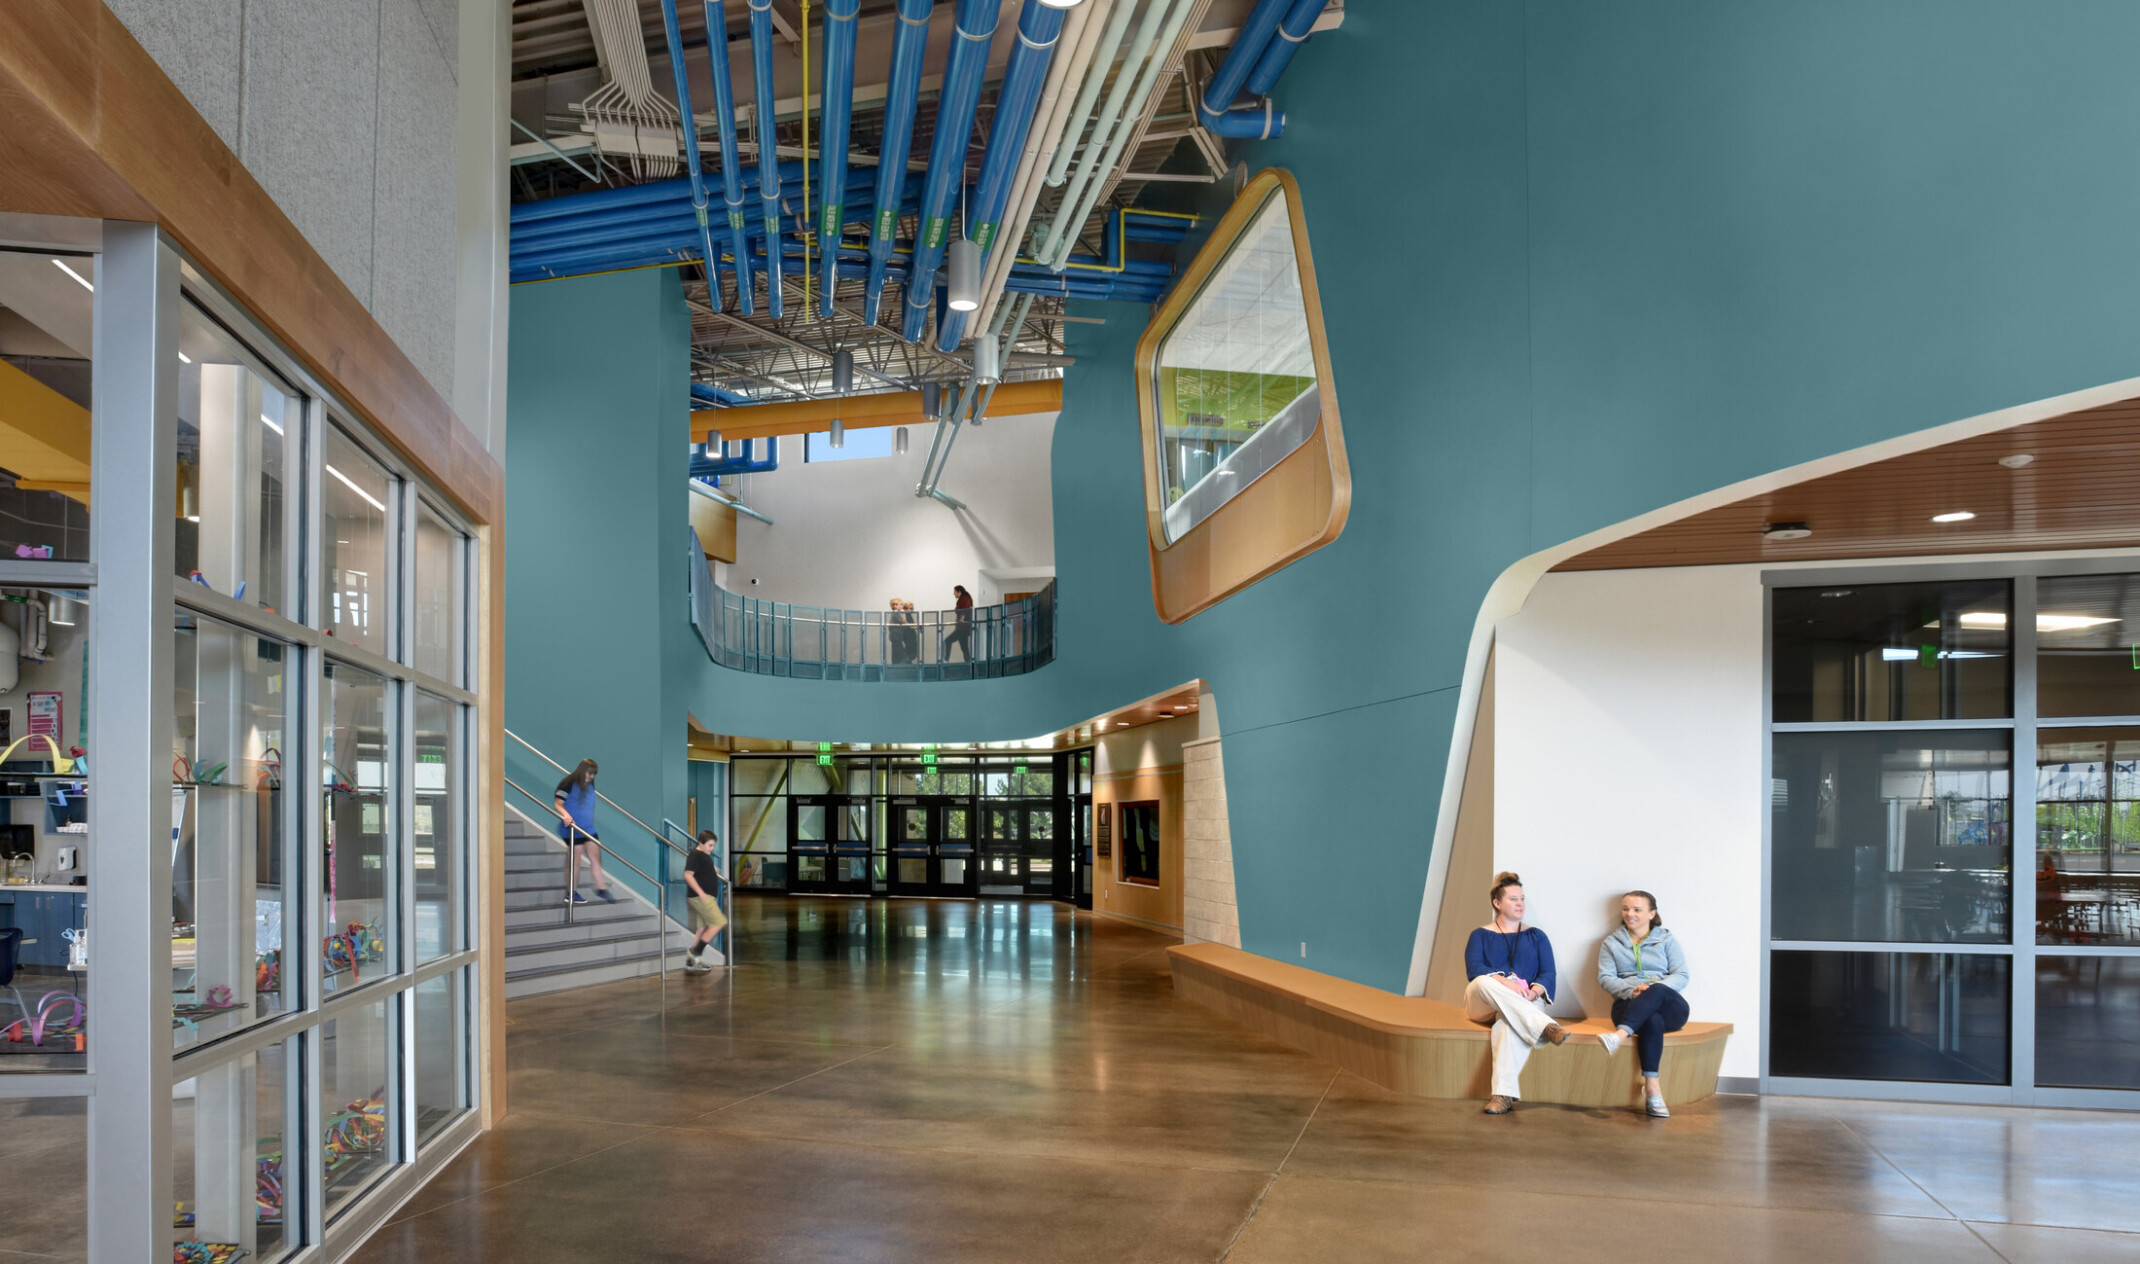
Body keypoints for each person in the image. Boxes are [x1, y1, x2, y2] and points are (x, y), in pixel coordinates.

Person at [1463, 871, 1565, 1114]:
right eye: (1513, 899)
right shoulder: (1479, 935)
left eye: (1522, 898)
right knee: (1481, 981)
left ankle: (1502, 1096)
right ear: (1497, 903)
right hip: (1484, 1003)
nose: (1520, 904)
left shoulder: (1537, 936)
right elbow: (1475, 969)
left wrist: (1534, 991)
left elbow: (1548, 973)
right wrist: (1508, 983)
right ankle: (1544, 1026)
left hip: (1524, 1003)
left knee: (1507, 1024)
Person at [1595, 890, 1689, 1119]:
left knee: (1656, 989)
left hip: (1670, 1007)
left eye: (1637, 909)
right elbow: (1605, 978)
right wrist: (1631, 990)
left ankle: (1618, 1036)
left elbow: (1681, 974)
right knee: (1651, 1020)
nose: (1630, 914)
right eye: (1626, 909)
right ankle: (1652, 1089)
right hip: (1628, 1004)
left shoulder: (1666, 939)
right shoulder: (1611, 943)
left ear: (1652, 914)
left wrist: (1653, 988)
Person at [553, 758, 615, 904]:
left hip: (588, 829)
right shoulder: (568, 783)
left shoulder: (590, 786)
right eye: (589, 773)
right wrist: (566, 814)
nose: (591, 777)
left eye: (593, 774)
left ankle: (601, 889)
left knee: (596, 858)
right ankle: (571, 893)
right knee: (576, 860)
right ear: (582, 771)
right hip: (573, 828)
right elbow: (558, 803)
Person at [683, 829, 727, 973]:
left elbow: (702, 869)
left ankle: (692, 962)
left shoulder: (703, 855)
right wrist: (701, 893)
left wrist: (712, 869)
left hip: (706, 897)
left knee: (701, 928)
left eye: (713, 845)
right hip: (701, 897)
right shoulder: (695, 855)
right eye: (710, 845)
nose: (712, 848)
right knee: (719, 922)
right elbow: (688, 875)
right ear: (700, 843)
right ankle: (695, 953)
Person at [943, 585, 974, 662]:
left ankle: (946, 660)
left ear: (959, 592)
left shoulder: (963, 599)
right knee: (964, 647)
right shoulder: (966, 598)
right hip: (965, 628)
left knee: (948, 641)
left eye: (954, 592)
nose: (954, 594)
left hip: (962, 628)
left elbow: (963, 611)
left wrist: (961, 621)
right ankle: (968, 663)